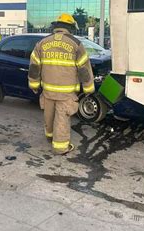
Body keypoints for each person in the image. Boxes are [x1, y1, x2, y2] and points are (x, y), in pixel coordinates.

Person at [28, 13, 95, 155]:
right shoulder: (76, 44)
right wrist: (88, 88)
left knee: (49, 115)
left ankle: (50, 136)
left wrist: (34, 85)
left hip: (48, 89)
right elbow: (84, 69)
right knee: (62, 118)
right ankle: (60, 147)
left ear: (56, 26)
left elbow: (34, 66)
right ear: (70, 27)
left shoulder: (42, 43)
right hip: (66, 92)